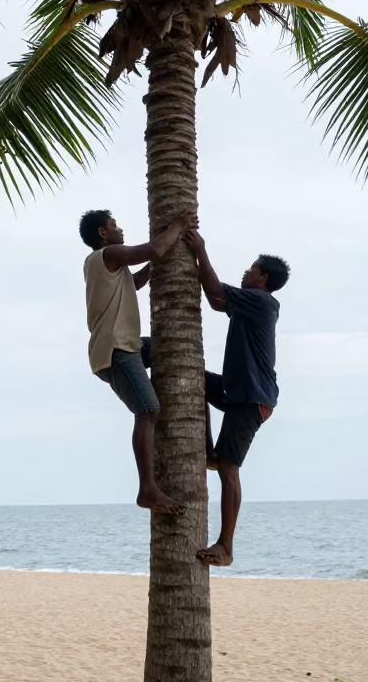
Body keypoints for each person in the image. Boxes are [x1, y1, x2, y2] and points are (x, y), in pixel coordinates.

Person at [80, 208, 197, 516]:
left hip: (128, 345)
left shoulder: (108, 267)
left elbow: (136, 281)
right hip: (116, 350)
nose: (119, 229)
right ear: (103, 234)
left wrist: (156, 264)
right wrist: (178, 226)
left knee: (169, 349)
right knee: (147, 411)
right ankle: (147, 489)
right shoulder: (107, 255)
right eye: (114, 225)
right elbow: (154, 248)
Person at [184, 230, 290, 567]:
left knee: (230, 469)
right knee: (193, 381)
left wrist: (200, 250)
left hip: (252, 398)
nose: (245, 272)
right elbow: (217, 301)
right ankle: (211, 453)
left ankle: (226, 547)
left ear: (264, 278)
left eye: (251, 269)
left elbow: (216, 293)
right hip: (236, 391)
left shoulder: (261, 301)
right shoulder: (250, 304)